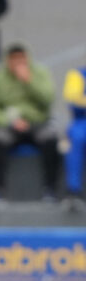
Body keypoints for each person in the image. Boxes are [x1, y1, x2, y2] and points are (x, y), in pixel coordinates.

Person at [0, 43, 60, 202]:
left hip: (37, 123)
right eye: (13, 58)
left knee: (51, 138)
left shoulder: (39, 73)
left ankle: (50, 189)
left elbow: (49, 99)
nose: (18, 62)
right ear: (7, 60)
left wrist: (29, 81)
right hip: (9, 124)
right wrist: (8, 121)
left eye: (21, 58)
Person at [63, 64, 86, 211]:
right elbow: (72, 99)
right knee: (77, 137)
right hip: (81, 122)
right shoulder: (77, 74)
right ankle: (74, 191)